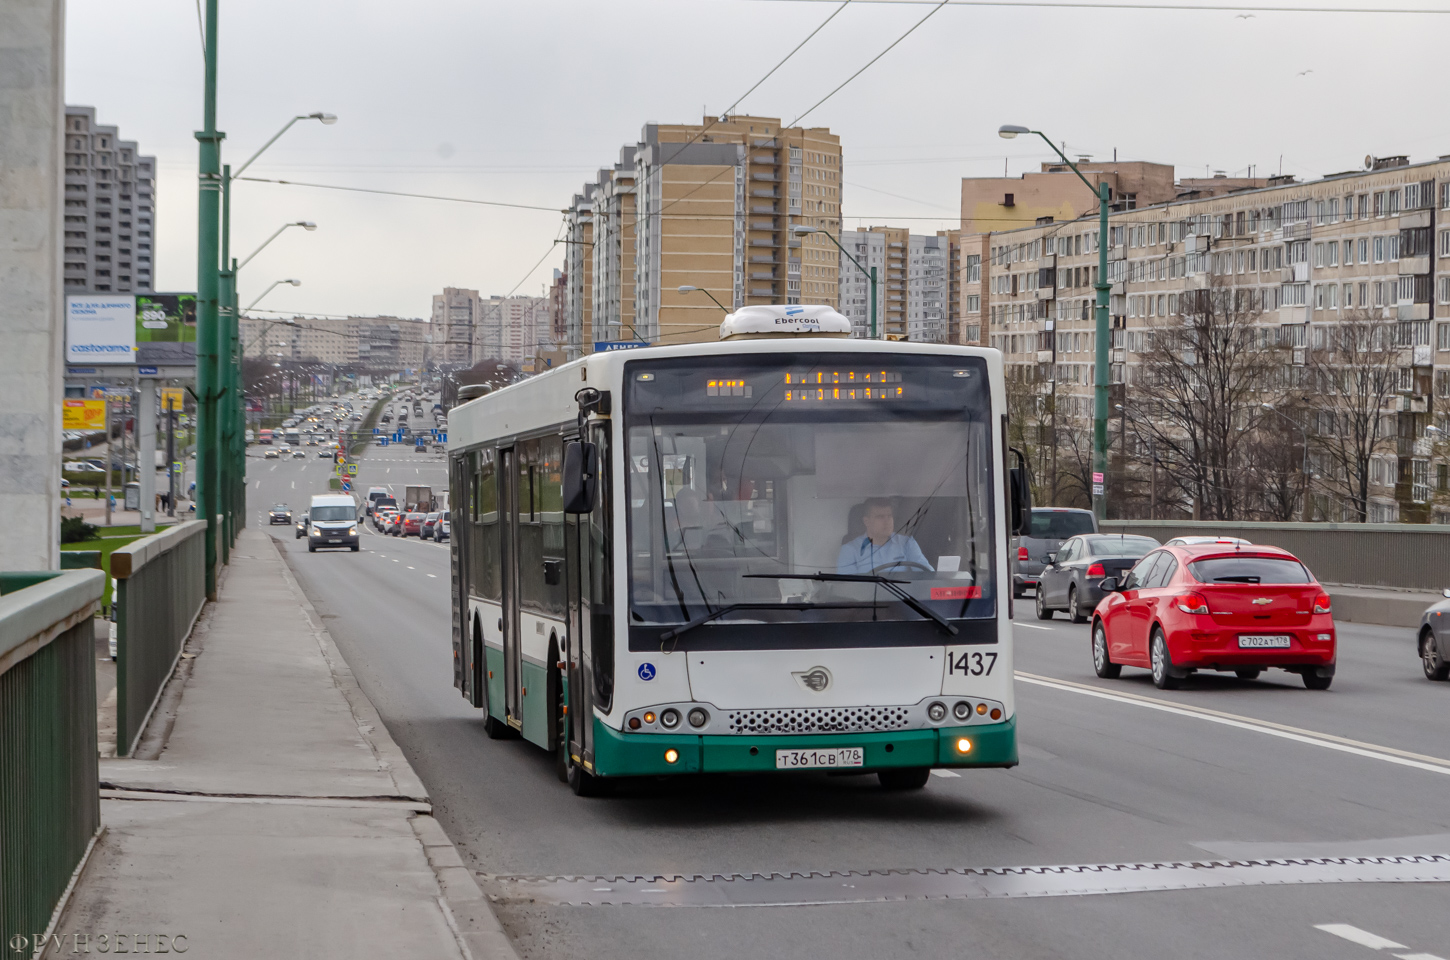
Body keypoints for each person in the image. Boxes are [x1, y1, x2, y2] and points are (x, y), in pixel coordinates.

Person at [837, 498, 932, 575]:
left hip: (905, 598)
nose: (887, 521)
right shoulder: (850, 550)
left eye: (889, 516)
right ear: (867, 521)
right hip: (867, 598)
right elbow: (846, 588)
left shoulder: (906, 543)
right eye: (880, 517)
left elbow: (927, 576)